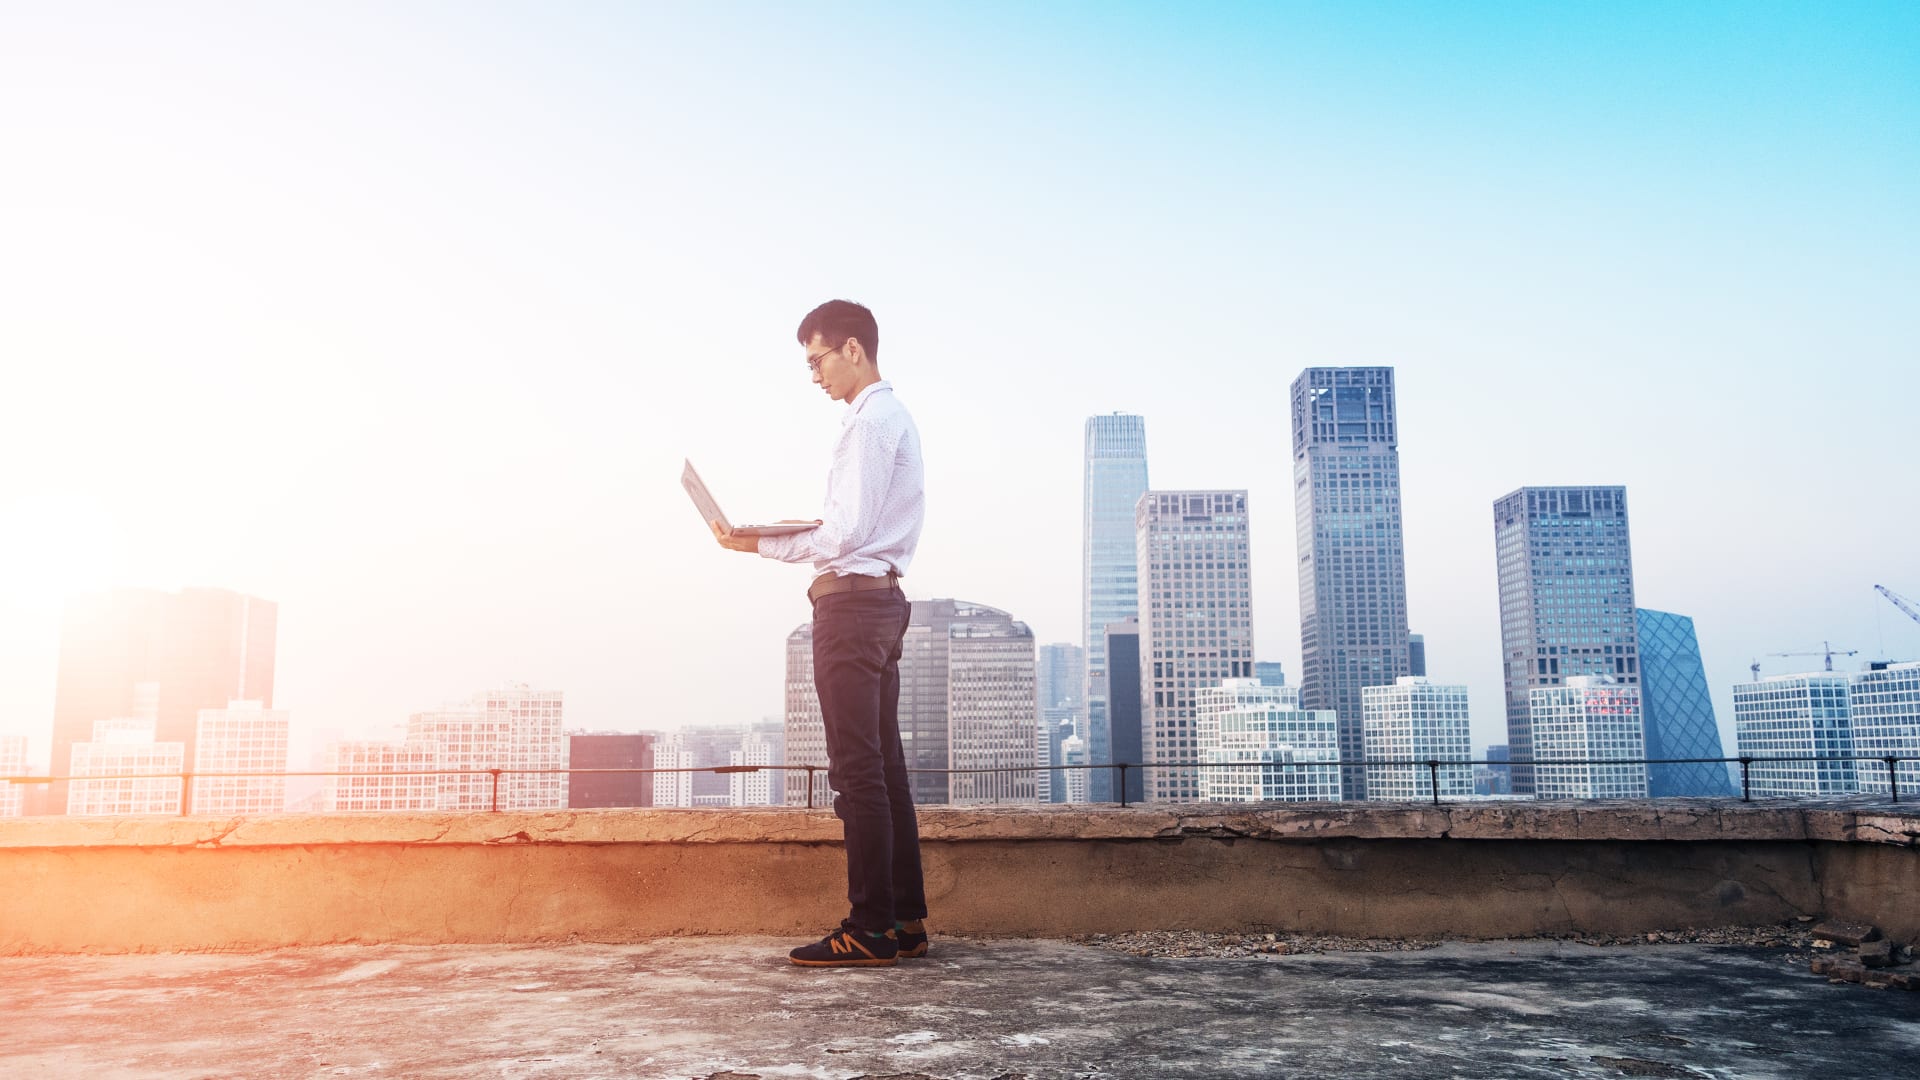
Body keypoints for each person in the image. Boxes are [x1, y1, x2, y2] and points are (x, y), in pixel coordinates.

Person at [710, 299, 928, 967]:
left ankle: (869, 928)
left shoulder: (869, 424)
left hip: (853, 611)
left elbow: (843, 534)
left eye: (817, 360)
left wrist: (757, 544)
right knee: (884, 771)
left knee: (857, 773)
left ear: (853, 349)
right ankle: (904, 921)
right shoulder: (891, 418)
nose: (813, 376)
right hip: (879, 605)